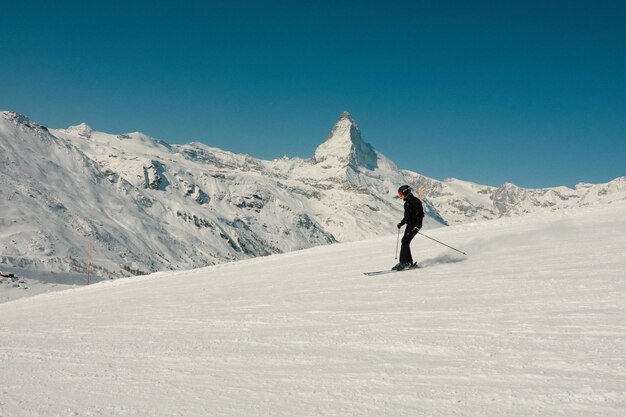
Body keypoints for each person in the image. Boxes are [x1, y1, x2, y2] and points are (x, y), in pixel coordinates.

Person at [393, 185, 424, 270]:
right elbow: (407, 217)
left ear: (406, 192)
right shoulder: (407, 203)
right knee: (404, 241)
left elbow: (420, 215)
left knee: (405, 241)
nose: (400, 196)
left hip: (414, 226)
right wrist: (401, 223)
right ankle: (402, 262)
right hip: (409, 225)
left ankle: (408, 262)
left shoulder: (415, 201)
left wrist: (417, 226)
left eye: (400, 193)